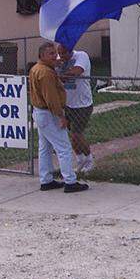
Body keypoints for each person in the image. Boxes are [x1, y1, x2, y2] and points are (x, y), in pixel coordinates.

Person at [27, 43, 88, 193]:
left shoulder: (36, 69)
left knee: (45, 148)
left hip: (40, 112)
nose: (55, 56)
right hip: (49, 114)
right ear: (41, 56)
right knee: (64, 148)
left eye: (55, 53)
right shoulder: (46, 74)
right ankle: (70, 181)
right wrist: (61, 116)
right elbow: (51, 99)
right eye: (50, 54)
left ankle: (46, 180)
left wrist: (55, 65)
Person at [56, 43, 95, 175]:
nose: (61, 56)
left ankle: (89, 159)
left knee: (76, 134)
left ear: (70, 50)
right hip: (68, 104)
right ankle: (80, 160)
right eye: (59, 53)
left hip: (82, 104)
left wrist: (60, 75)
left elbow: (76, 72)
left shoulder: (81, 56)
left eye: (64, 53)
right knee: (71, 136)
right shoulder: (58, 60)